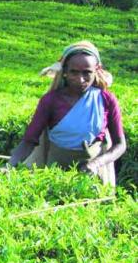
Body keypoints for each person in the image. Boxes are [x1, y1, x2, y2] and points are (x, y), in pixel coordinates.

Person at [8, 41, 127, 187]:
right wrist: (10, 165)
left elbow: (120, 144)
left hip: (92, 175)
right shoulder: (51, 101)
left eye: (87, 73)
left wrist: (96, 163)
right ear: (64, 71)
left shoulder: (106, 100)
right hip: (54, 173)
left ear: (96, 71)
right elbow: (29, 141)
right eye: (74, 72)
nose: (80, 79)